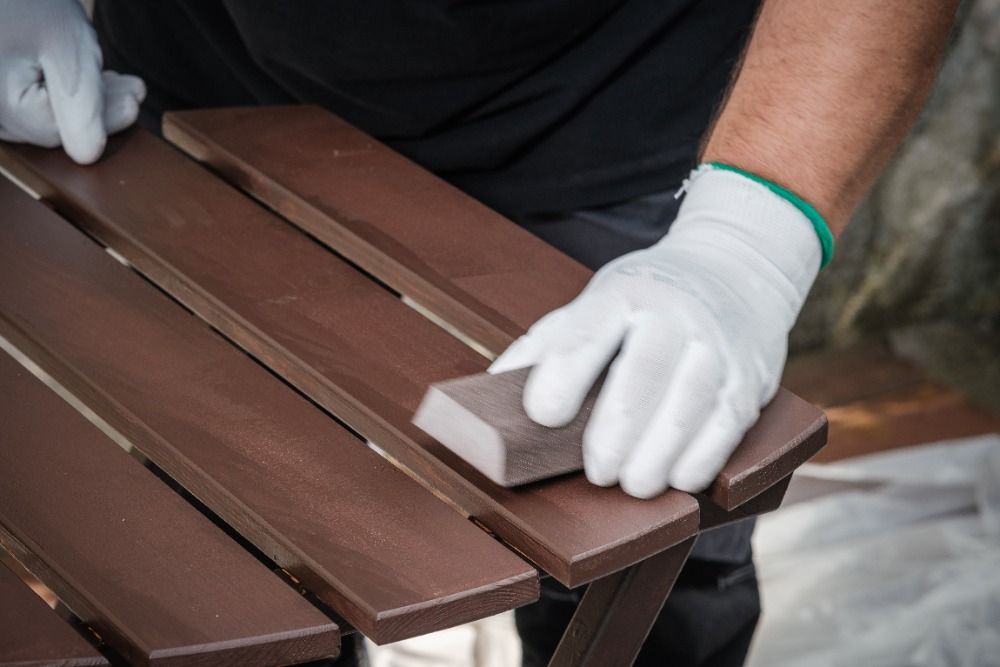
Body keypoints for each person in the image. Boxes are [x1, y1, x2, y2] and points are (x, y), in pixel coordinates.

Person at [0, 1, 958, 664]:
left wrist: (748, 243)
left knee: (650, 521)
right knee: (212, 534)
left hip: (609, 99)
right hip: (214, 69)